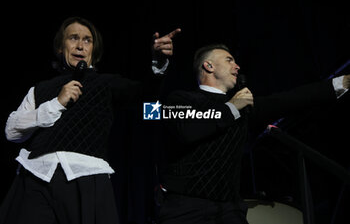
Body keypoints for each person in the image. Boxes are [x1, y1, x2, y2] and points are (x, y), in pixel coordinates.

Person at [0, 16, 180, 224]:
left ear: (94, 50)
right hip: (35, 177)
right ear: (60, 48)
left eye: (87, 40)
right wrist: (56, 103)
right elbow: (12, 131)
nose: (80, 45)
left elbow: (146, 93)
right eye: (73, 38)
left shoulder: (106, 84)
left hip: (85, 177)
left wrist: (158, 62)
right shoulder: (39, 89)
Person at [157, 44, 350, 224]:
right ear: (209, 66)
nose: (237, 66)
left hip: (230, 209)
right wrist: (232, 107)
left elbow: (289, 100)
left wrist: (341, 83)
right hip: (185, 208)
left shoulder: (245, 107)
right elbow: (187, 131)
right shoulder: (180, 99)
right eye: (229, 60)